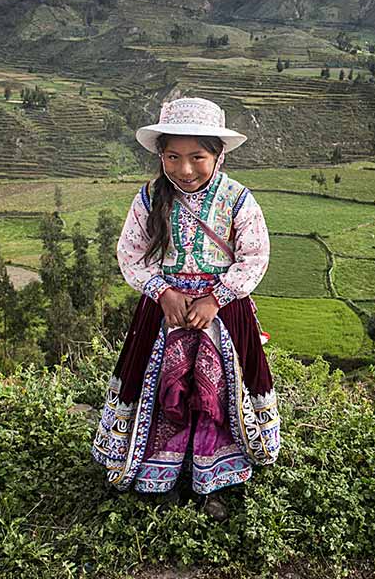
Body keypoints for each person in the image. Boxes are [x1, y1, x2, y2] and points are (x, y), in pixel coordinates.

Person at [91, 97, 278, 520]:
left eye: (198, 157)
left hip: (223, 316)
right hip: (164, 314)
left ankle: (213, 480)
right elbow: (130, 255)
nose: (185, 169)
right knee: (161, 394)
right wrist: (162, 292)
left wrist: (217, 298)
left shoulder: (238, 200)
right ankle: (162, 475)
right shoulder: (148, 200)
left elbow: (255, 256)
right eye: (173, 157)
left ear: (219, 155)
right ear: (161, 155)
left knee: (218, 397)